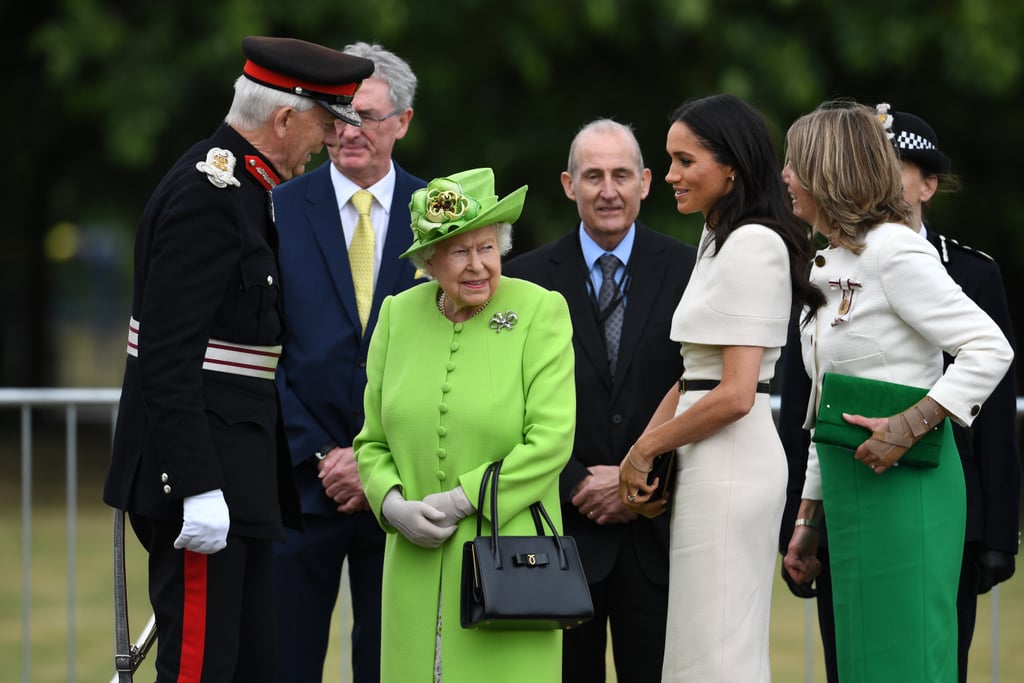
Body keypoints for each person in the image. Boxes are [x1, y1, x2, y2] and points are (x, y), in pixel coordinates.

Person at [103, 37, 374, 683]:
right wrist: (196, 484)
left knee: (250, 665)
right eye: (325, 124)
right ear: (285, 117)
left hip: (238, 473)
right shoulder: (210, 193)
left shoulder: (245, 189)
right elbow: (167, 356)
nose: (329, 142)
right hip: (205, 477)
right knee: (201, 666)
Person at [777, 105, 1021, 683]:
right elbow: (826, 404)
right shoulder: (825, 262)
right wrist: (808, 521)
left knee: (908, 663)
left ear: (827, 171)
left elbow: (991, 348)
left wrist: (910, 425)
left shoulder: (896, 250)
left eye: (794, 162)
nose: (784, 175)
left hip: (909, 488)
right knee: (860, 663)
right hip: (848, 488)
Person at [617, 93, 824, 682]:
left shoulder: (755, 243)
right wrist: (648, 443)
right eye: (671, 160)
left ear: (730, 164)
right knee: (697, 640)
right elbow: (695, 372)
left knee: (719, 648)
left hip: (734, 465)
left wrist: (644, 450)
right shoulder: (718, 238)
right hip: (708, 459)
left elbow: (734, 393)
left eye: (686, 161)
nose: (673, 176)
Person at [353, 167, 575, 682]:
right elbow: (371, 441)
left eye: (488, 248)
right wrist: (391, 504)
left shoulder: (539, 311)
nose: (478, 266)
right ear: (428, 261)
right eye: (459, 251)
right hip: (412, 566)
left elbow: (550, 440)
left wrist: (461, 500)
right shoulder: (396, 315)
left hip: (511, 568)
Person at [503, 118, 696, 682]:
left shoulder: (691, 272)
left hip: (657, 532)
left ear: (645, 182)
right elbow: (508, 403)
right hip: (557, 531)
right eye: (593, 176)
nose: (607, 190)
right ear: (568, 185)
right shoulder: (525, 282)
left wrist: (636, 482)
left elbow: (701, 390)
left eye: (620, 175)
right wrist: (576, 481)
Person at [270, 41, 424, 683]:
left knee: (390, 667)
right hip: (297, 486)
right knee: (283, 662)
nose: (348, 131)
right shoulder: (276, 208)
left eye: (366, 116)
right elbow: (261, 349)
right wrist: (321, 454)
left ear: (404, 122)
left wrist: (372, 462)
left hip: (400, 488)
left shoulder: (437, 216)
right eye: (338, 114)